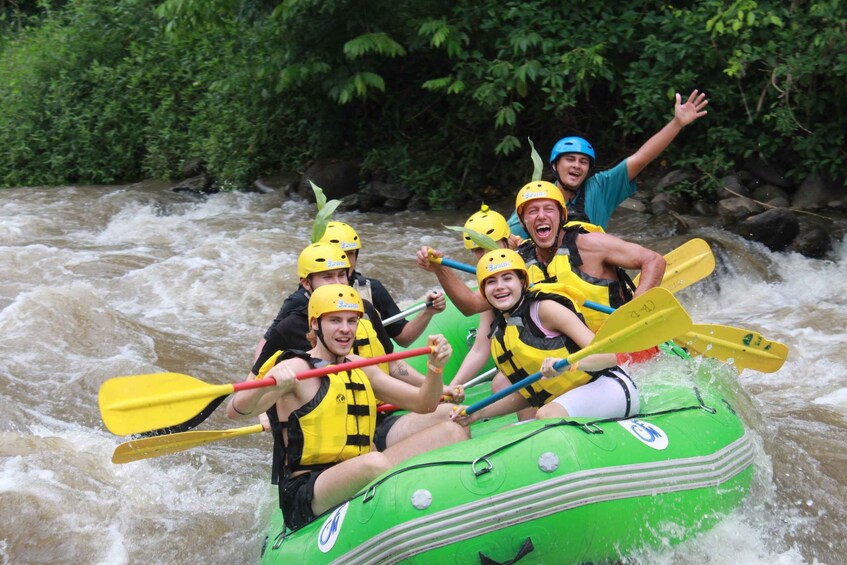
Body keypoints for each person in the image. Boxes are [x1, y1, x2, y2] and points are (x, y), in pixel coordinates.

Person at [227, 284, 468, 532]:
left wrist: (435, 368)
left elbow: (424, 403)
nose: (345, 329)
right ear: (314, 325)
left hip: (361, 467)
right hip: (307, 490)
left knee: (453, 431)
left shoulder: (358, 365)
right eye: (335, 320)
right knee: (374, 463)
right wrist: (273, 385)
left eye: (352, 321)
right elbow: (236, 410)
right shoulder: (297, 368)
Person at [255, 242, 458, 453]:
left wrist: (438, 386)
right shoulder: (291, 325)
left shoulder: (365, 311)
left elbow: (391, 364)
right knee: (370, 456)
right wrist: (263, 411)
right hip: (327, 434)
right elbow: (256, 381)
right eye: (327, 277)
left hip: (376, 415)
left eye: (341, 275)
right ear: (307, 284)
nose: (337, 283)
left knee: (452, 416)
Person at [450, 249, 639, 428]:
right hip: (564, 403)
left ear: (522, 282)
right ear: (484, 291)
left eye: (507, 278)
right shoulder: (502, 333)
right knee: (506, 432)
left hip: (612, 388)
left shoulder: (545, 309)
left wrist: (569, 364)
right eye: (491, 282)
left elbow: (608, 356)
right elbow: (530, 395)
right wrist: (478, 413)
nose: (499, 287)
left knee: (546, 414)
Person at [507, 89, 709, 236]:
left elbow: (641, 158)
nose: (577, 165)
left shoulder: (601, 187)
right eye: (570, 159)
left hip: (591, 274)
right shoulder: (537, 201)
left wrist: (677, 123)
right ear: (554, 166)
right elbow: (503, 241)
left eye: (583, 162)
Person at [256, 221, 445, 355]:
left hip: (370, 374)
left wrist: (427, 312)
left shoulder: (372, 290)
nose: (344, 260)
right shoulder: (300, 301)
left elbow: (404, 338)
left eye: (350, 254)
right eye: (339, 254)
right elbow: (268, 345)